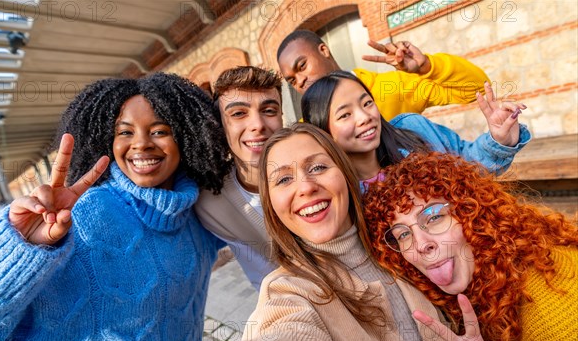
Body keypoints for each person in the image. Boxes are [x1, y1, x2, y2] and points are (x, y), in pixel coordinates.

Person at [167, 123, 522, 341]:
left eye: (318, 167)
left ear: (345, 175)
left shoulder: (404, 242)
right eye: (284, 179)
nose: (305, 187)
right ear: (272, 203)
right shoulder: (289, 293)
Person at [0, 73, 231, 341]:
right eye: (124, 132)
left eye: (160, 131)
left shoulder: (197, 211)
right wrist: (20, 248)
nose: (141, 143)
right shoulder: (79, 217)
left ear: (185, 137)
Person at [363, 151, 578, 341]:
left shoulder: (556, 317)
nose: (420, 244)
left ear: (471, 213)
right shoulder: (477, 288)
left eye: (433, 217)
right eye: (402, 234)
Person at [302, 71, 530, 189]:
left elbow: (471, 166)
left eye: (366, 103)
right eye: (345, 115)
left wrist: (498, 140)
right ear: (324, 130)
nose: (364, 117)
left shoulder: (412, 130)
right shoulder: (339, 193)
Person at [194, 66, 284, 290]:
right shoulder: (209, 201)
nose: (258, 125)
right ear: (220, 126)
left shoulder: (315, 167)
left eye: (269, 110)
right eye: (238, 113)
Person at [277, 29, 490, 121]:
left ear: (324, 51)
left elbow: (477, 90)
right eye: (292, 80)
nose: (300, 81)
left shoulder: (391, 87)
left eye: (302, 66)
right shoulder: (308, 129)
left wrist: (427, 66)